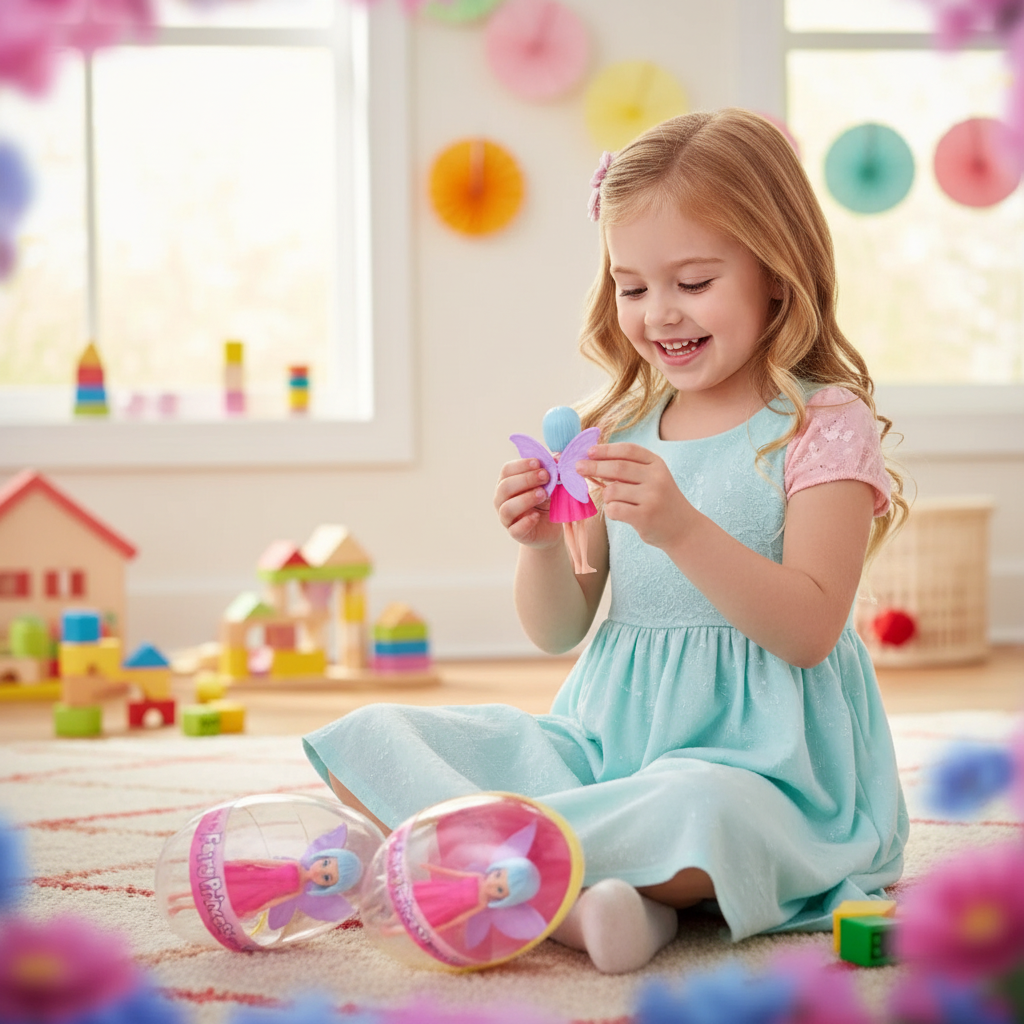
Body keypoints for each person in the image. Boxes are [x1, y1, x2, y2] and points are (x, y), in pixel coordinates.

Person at [303, 108, 909, 975]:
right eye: (632, 287)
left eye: (693, 283)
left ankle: (480, 858)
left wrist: (682, 530)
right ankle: (594, 902)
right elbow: (559, 627)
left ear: (776, 273)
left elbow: (809, 628)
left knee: (699, 811)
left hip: (766, 776)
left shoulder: (819, 425)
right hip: (602, 749)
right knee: (376, 734)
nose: (659, 314)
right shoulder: (616, 425)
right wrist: (540, 545)